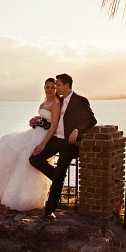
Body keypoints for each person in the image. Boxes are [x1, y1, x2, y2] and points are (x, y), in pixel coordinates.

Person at [0, 78, 63, 211]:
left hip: (42, 137)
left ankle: (28, 198)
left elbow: (53, 125)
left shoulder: (56, 103)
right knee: (11, 150)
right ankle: (14, 194)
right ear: (44, 88)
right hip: (34, 133)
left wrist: (43, 144)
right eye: (48, 87)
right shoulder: (45, 101)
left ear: (56, 89)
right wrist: (36, 119)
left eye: (53, 87)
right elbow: (45, 117)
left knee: (29, 164)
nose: (50, 90)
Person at [28, 73, 97, 219]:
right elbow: (53, 114)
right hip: (55, 140)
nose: (55, 88)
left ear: (66, 85)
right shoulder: (58, 99)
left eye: (58, 85)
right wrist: (38, 117)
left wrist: (77, 130)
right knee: (34, 159)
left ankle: (49, 211)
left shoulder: (80, 101)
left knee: (59, 174)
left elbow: (91, 120)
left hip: (68, 144)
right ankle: (57, 177)